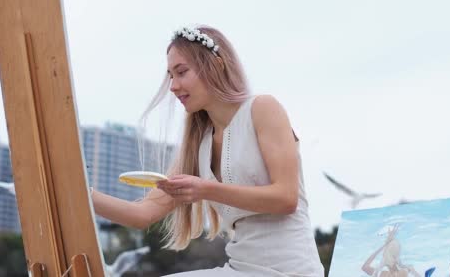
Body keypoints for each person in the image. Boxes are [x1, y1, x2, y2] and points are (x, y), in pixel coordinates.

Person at [90, 25, 324, 276]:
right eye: (170, 75)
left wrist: (205, 189)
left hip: (291, 271)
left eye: (181, 72)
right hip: (239, 268)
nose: (173, 86)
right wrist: (81, 193)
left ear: (217, 65)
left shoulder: (263, 108)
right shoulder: (198, 146)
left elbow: (286, 198)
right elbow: (141, 214)